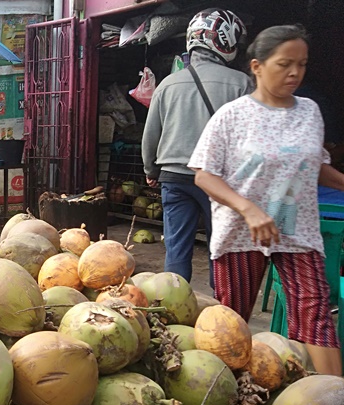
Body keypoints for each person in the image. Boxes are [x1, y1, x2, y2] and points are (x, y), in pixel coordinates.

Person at [189, 25, 343, 375]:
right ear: (257, 66)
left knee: (315, 315)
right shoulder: (232, 116)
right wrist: (249, 209)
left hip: (298, 232)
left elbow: (314, 166)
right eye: (285, 64)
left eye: (302, 64)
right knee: (231, 323)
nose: (295, 73)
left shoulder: (309, 112)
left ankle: (334, 400)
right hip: (241, 233)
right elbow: (204, 175)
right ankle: (223, 396)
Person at [141, 9, 252, 283]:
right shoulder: (242, 84)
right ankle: (221, 311)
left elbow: (150, 135)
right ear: (225, 42)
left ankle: (173, 307)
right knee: (220, 249)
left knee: (176, 249)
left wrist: (150, 170)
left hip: (174, 178)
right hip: (219, 182)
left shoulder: (167, 85)